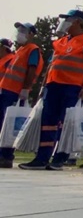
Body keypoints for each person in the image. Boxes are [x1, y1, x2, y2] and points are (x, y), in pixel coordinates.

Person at [20, 11, 83, 171]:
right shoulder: (60, 42)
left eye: (68, 20)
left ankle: (60, 158)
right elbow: (51, 65)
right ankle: (42, 158)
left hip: (72, 87)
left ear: (78, 22)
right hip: (53, 85)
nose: (65, 22)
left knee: (65, 123)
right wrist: (43, 85)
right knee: (47, 122)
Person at [0, 24, 43, 168]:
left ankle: (6, 156)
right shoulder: (20, 50)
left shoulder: (32, 50)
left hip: (15, 92)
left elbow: (31, 69)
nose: (19, 33)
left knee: (8, 125)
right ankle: (3, 155)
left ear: (31, 34)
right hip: (6, 90)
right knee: (3, 124)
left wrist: (25, 88)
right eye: (19, 31)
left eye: (23, 31)